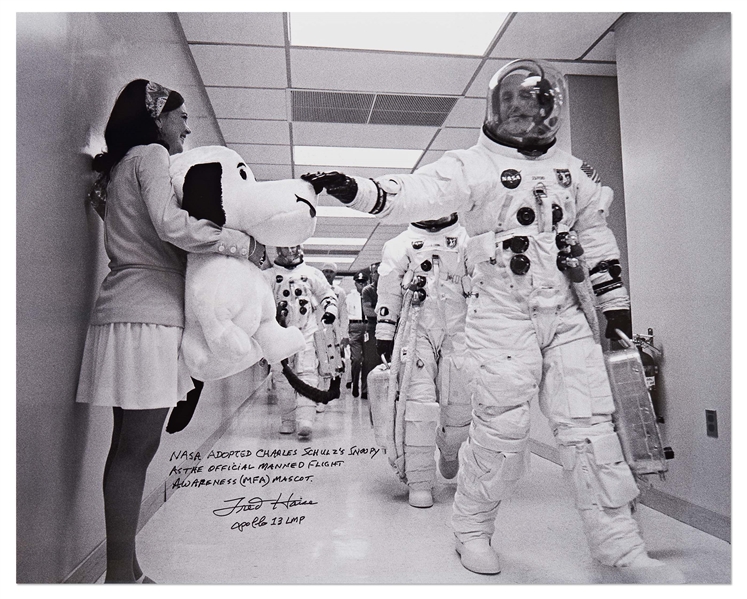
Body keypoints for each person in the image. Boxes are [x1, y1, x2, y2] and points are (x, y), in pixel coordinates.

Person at [302, 59, 680, 580]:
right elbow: (413, 192)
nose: (527, 120)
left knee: (590, 429)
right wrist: (354, 189)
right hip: (499, 314)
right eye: (515, 110)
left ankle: (620, 547)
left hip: (565, 312)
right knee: (503, 431)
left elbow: (596, 242)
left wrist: (616, 314)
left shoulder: (575, 173)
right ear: (496, 111)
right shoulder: (471, 167)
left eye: (537, 110)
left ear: (552, 112)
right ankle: (471, 530)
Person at [76, 79, 265, 583]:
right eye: (181, 117)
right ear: (158, 117)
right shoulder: (150, 156)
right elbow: (169, 224)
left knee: (126, 447)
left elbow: (143, 227)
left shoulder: (118, 169)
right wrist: (238, 243)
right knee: (136, 450)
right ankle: (121, 578)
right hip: (150, 317)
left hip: (123, 311)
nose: (186, 127)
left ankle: (126, 568)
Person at [375, 214, 472, 509]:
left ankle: (451, 448)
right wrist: (385, 330)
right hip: (415, 327)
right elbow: (388, 289)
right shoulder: (399, 245)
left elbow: (487, 283)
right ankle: (419, 481)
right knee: (417, 404)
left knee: (460, 402)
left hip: (461, 328)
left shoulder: (467, 240)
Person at [266, 245, 337, 438]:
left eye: (294, 246)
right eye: (286, 247)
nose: (290, 251)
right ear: (278, 249)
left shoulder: (312, 273)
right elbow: (258, 302)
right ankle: (287, 419)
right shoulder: (269, 276)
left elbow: (326, 295)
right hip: (279, 331)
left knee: (307, 371)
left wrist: (330, 311)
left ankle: (305, 418)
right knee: (282, 375)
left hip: (307, 329)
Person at [319, 262, 349, 413]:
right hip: (319, 332)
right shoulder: (316, 290)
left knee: (335, 362)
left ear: (335, 274)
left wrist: (344, 335)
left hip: (335, 332)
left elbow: (344, 315)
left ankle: (331, 391)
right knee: (320, 362)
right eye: (325, 271)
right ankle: (320, 396)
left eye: (330, 271)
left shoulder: (340, 292)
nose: (327, 274)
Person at [345, 271, 368, 397]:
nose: (362, 284)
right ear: (355, 283)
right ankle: (354, 382)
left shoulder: (370, 295)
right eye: (359, 282)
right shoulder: (349, 297)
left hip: (367, 327)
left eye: (364, 282)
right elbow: (345, 316)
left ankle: (364, 389)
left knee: (367, 360)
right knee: (356, 359)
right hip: (354, 327)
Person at [360, 263, 381, 400]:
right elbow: (368, 311)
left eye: (378, 272)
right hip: (373, 327)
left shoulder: (391, 289)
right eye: (373, 272)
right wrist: (386, 314)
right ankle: (366, 389)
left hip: (391, 327)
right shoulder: (368, 290)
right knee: (370, 360)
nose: (375, 275)